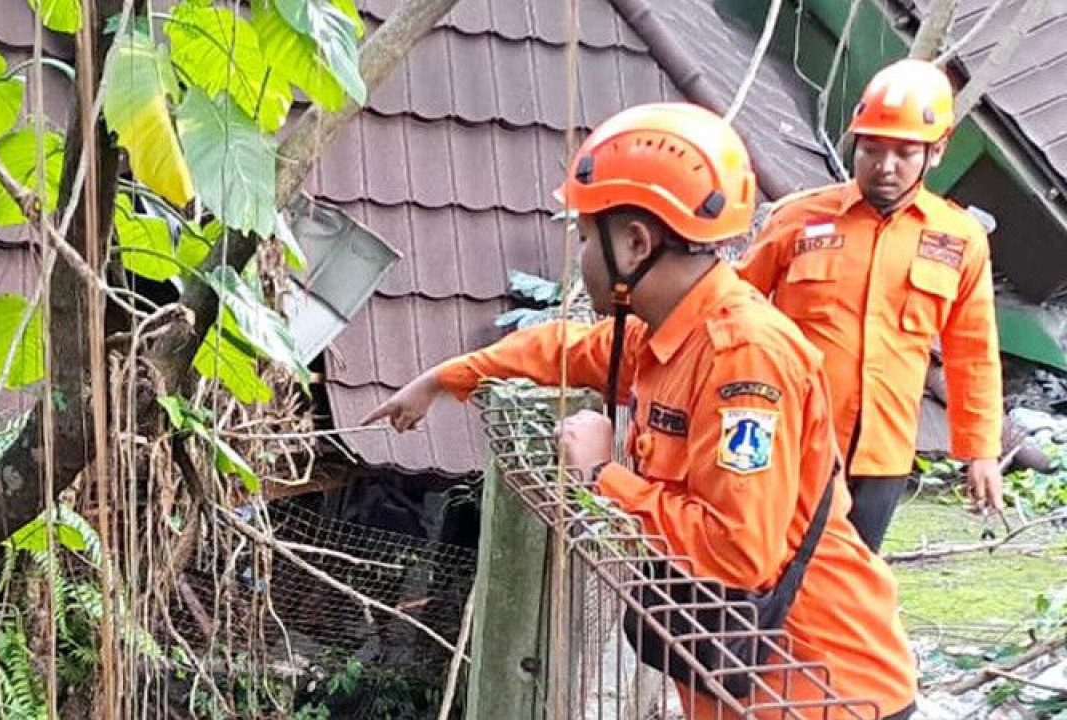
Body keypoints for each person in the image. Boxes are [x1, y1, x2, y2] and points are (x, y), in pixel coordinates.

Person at [362, 103, 916, 718]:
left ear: (633, 244)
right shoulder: (667, 332)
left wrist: (603, 476)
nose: (579, 259)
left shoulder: (744, 359)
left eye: (582, 239)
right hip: (742, 673)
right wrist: (444, 376)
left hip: (821, 685)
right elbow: (567, 347)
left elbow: (739, 552)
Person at [737, 59, 1003, 553]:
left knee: (851, 584)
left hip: (882, 457)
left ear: (936, 152)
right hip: (793, 443)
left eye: (905, 152)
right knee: (773, 576)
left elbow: (974, 353)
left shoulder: (959, 239)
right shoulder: (797, 221)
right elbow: (732, 309)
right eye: (871, 149)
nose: (885, 166)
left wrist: (981, 452)